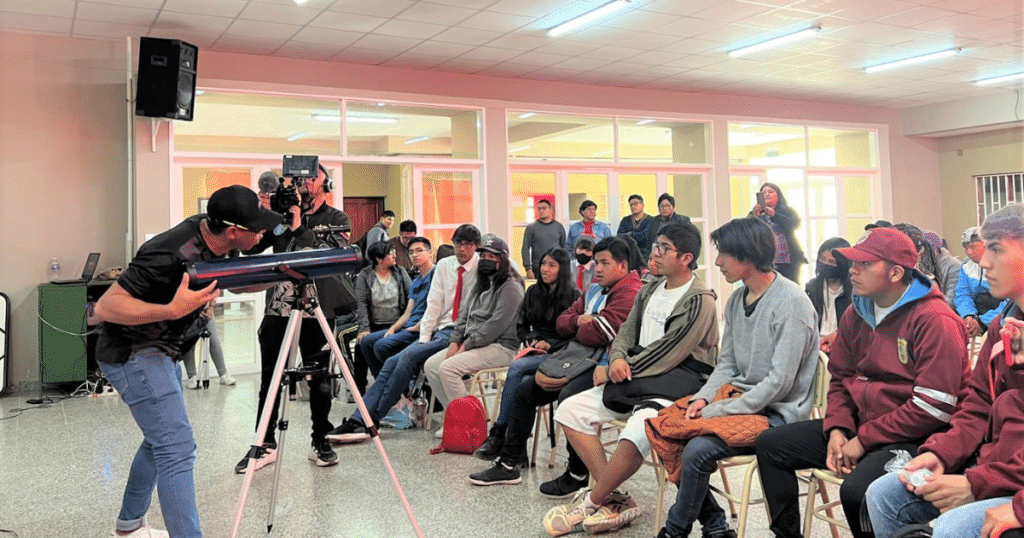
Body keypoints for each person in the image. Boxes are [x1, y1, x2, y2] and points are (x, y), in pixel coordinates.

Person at [756, 226, 970, 538]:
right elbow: (841, 377)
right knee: (771, 445)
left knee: (857, 491)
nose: (852, 270)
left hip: (916, 438)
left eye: (864, 264)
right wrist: (838, 429)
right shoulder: (858, 312)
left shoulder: (936, 320)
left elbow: (933, 409)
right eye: (852, 263)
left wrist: (864, 440)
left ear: (896, 273)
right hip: (863, 424)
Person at [93, 185, 280, 538]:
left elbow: (235, 284)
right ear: (233, 232)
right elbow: (106, 306)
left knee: (159, 438)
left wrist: (287, 273)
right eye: (257, 228)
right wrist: (172, 310)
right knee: (175, 446)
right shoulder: (166, 253)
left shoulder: (216, 240)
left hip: (161, 350)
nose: (263, 232)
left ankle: (130, 523)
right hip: (132, 351)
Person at [542, 222, 720, 537]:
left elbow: (671, 353)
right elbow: (627, 328)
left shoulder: (699, 299)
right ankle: (615, 499)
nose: (656, 252)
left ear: (686, 258)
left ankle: (590, 503)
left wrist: (622, 367)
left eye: (665, 248)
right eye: (656, 245)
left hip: (674, 385)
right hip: (637, 376)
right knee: (570, 408)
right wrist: (618, 358)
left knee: (639, 429)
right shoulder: (650, 286)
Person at [653, 217, 819, 538]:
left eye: (723, 255)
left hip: (778, 415)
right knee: (663, 425)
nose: (716, 262)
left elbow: (779, 383)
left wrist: (716, 411)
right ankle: (715, 525)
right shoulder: (734, 300)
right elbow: (726, 363)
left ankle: (675, 531)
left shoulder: (792, 303)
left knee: (697, 450)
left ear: (746, 256)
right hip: (739, 401)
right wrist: (703, 398)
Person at [865, 203, 1024, 538]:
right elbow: (978, 404)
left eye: (995, 249)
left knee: (952, 528)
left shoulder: (934, 316)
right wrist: (942, 453)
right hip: (997, 468)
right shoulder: (1002, 325)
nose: (983, 261)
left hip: (1012, 482)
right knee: (882, 494)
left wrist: (978, 484)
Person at [467, 236, 644, 493]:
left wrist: (580, 326)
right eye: (597, 262)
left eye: (605, 263)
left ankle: (577, 473)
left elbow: (601, 331)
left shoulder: (630, 291)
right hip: (578, 357)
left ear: (623, 266)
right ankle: (509, 462)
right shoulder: (594, 288)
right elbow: (564, 322)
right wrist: (581, 323)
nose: (598, 268)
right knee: (524, 391)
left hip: (606, 366)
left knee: (569, 396)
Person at [238, 164, 352, 472]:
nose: (304, 182)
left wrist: (300, 226)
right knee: (270, 378)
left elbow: (333, 256)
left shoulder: (336, 219)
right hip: (278, 308)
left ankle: (320, 440)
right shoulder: (280, 220)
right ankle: (264, 443)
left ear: (325, 183)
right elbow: (254, 247)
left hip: (318, 308)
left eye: (312, 176)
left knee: (320, 379)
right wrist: (264, 216)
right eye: (299, 177)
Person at [327, 225, 481, 442]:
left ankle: (369, 421)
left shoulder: (482, 267)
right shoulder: (445, 266)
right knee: (391, 362)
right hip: (438, 330)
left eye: (468, 244)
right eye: (458, 243)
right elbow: (433, 305)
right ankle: (361, 419)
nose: (462, 248)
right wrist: (423, 339)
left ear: (475, 246)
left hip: (459, 333)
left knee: (405, 357)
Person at [473, 248, 580, 460]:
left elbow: (574, 335)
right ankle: (516, 446)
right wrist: (531, 340)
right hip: (533, 351)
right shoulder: (533, 292)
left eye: (551, 265)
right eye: (543, 264)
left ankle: (500, 432)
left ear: (562, 269)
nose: (545, 270)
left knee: (516, 368)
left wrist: (548, 344)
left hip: (560, 353)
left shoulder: (574, 296)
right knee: (522, 382)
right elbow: (521, 326)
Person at [423, 236, 525, 424]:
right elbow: (463, 315)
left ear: (502, 260)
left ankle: (471, 424)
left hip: (501, 347)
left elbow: (495, 326)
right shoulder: (482, 281)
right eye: (484, 255)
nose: (486, 260)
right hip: (474, 343)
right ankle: (457, 417)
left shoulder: (511, 287)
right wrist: (455, 342)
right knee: (431, 366)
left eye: (492, 257)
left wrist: (464, 347)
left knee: (448, 368)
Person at [354, 241, 412, 385]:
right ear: (379, 259)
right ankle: (360, 386)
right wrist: (364, 328)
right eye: (390, 253)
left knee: (387, 347)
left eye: (394, 252)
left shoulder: (400, 272)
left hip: (397, 323)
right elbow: (361, 303)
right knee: (361, 344)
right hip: (374, 324)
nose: (394, 256)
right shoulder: (365, 275)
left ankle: (387, 382)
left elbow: (411, 297)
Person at [956, 226, 1008, 338]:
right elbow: (962, 294)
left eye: (973, 246)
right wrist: (968, 316)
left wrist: (983, 322)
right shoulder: (966, 266)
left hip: (1003, 321)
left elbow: (1012, 302)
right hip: (977, 317)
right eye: (965, 247)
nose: (969, 252)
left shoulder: (1006, 264)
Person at [805, 237, 853, 354]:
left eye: (831, 262)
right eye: (822, 259)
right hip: (815, 346)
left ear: (842, 264)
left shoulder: (855, 290)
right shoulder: (812, 287)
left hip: (843, 345)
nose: (825, 264)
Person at [751, 182, 806, 283]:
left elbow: (795, 224)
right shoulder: (754, 213)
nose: (767, 194)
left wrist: (775, 215)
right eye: (764, 193)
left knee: (791, 287)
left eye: (770, 192)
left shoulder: (787, 211)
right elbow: (746, 230)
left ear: (778, 196)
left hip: (788, 259)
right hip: (765, 260)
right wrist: (754, 216)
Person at [181, 316, 236, 388]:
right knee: (189, 342)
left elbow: (212, 304)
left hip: (206, 313)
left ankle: (223, 375)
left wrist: (211, 308)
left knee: (214, 342)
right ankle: (192, 377)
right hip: (189, 313)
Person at [523, 198, 567, 280]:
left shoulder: (559, 227)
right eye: (539, 209)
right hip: (538, 268)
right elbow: (525, 248)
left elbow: (563, 248)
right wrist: (528, 269)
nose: (541, 211)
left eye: (544, 208)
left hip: (556, 267)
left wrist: (564, 267)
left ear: (550, 209)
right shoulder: (531, 228)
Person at [924, 230, 962, 309]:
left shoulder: (954, 266)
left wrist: (926, 307)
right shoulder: (921, 264)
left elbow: (952, 300)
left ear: (936, 249)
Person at [617, 194, 656, 259]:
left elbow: (647, 237)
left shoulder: (652, 220)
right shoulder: (625, 220)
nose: (633, 206)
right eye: (631, 205)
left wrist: (629, 235)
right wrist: (639, 235)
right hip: (629, 254)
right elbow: (620, 237)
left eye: (635, 204)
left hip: (646, 255)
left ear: (642, 205)